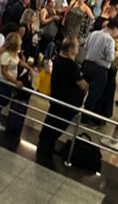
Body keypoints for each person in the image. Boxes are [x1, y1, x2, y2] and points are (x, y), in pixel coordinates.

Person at [37, 37, 88, 165]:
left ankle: (45, 144)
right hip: (67, 103)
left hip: (57, 98)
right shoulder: (71, 66)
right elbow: (83, 85)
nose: (78, 49)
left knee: (51, 121)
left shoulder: (58, 59)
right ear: (71, 49)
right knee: (58, 126)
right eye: (76, 46)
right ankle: (46, 148)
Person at [0, 32, 35, 131]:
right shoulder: (5, 54)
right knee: (0, 101)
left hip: (8, 82)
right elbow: (4, 72)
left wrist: (28, 67)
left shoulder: (13, 53)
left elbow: (18, 61)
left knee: (0, 101)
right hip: (3, 82)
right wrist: (15, 81)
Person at [82, 19, 118, 124]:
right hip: (100, 70)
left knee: (82, 89)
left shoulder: (94, 33)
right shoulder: (110, 40)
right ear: (115, 28)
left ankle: (73, 109)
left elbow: (85, 46)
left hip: (87, 64)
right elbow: (110, 58)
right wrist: (116, 54)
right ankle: (86, 118)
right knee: (94, 95)